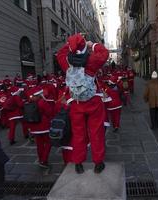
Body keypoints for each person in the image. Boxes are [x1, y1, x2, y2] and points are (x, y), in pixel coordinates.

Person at [57, 33, 109, 174]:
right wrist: (93, 45)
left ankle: (78, 163)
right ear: (85, 45)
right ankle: (98, 163)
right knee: (96, 133)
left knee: (78, 134)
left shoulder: (66, 61)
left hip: (76, 104)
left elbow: (60, 53)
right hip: (93, 102)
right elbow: (104, 53)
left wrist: (71, 44)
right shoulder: (92, 59)